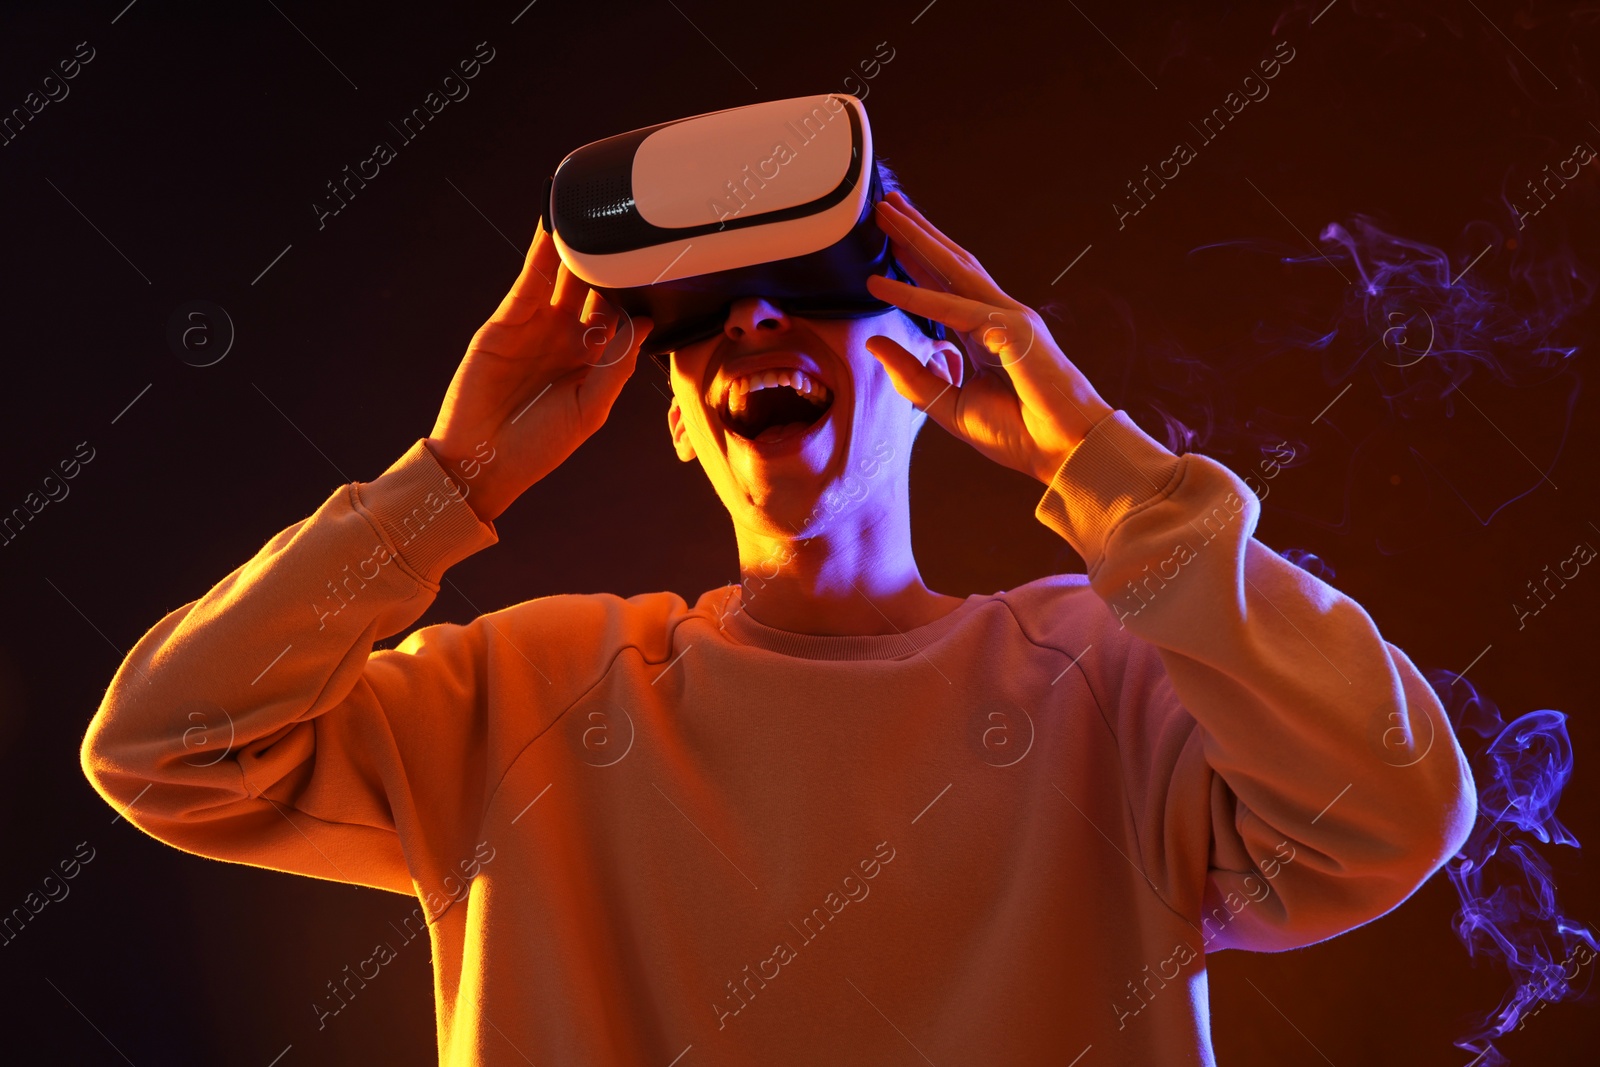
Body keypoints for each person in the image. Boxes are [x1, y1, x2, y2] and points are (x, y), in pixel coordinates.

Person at [81, 163, 1476, 1065]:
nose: (753, 326)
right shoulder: (528, 694)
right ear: (676, 417)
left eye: (816, 286)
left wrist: (1093, 461)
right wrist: (448, 482)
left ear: (940, 358)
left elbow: (1391, 810)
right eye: (698, 313)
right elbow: (166, 746)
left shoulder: (1112, 685)